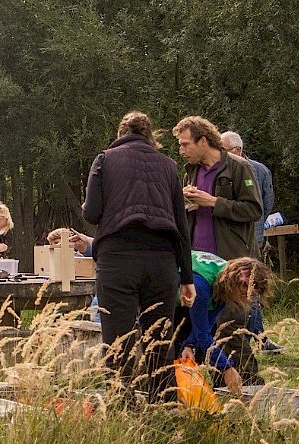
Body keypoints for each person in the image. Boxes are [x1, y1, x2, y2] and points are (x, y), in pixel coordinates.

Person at [80, 111, 195, 400]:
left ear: (120, 135)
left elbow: (92, 213)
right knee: (159, 341)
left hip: (117, 260)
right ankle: (165, 414)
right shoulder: (169, 166)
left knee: (118, 342)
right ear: (149, 136)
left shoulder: (104, 160)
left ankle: (123, 410)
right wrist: (187, 277)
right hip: (162, 262)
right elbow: (181, 226)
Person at [220, 130, 281, 353]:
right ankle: (247, 338)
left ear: (238, 150)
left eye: (225, 150)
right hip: (232, 238)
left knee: (249, 288)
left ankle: (257, 338)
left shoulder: (259, 170)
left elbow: (265, 204)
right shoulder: (221, 167)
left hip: (249, 237)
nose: (221, 154)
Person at [178, 251, 272, 394]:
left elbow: (207, 322)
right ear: (239, 279)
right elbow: (203, 335)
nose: (245, 300)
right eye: (244, 294)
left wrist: (189, 345)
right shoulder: (202, 287)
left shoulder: (224, 282)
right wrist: (227, 367)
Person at [174, 116, 262, 260]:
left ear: (203, 141)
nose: (181, 151)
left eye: (185, 145)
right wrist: (184, 201)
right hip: (198, 260)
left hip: (231, 261)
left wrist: (213, 202)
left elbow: (253, 210)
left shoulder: (239, 167)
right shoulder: (191, 172)